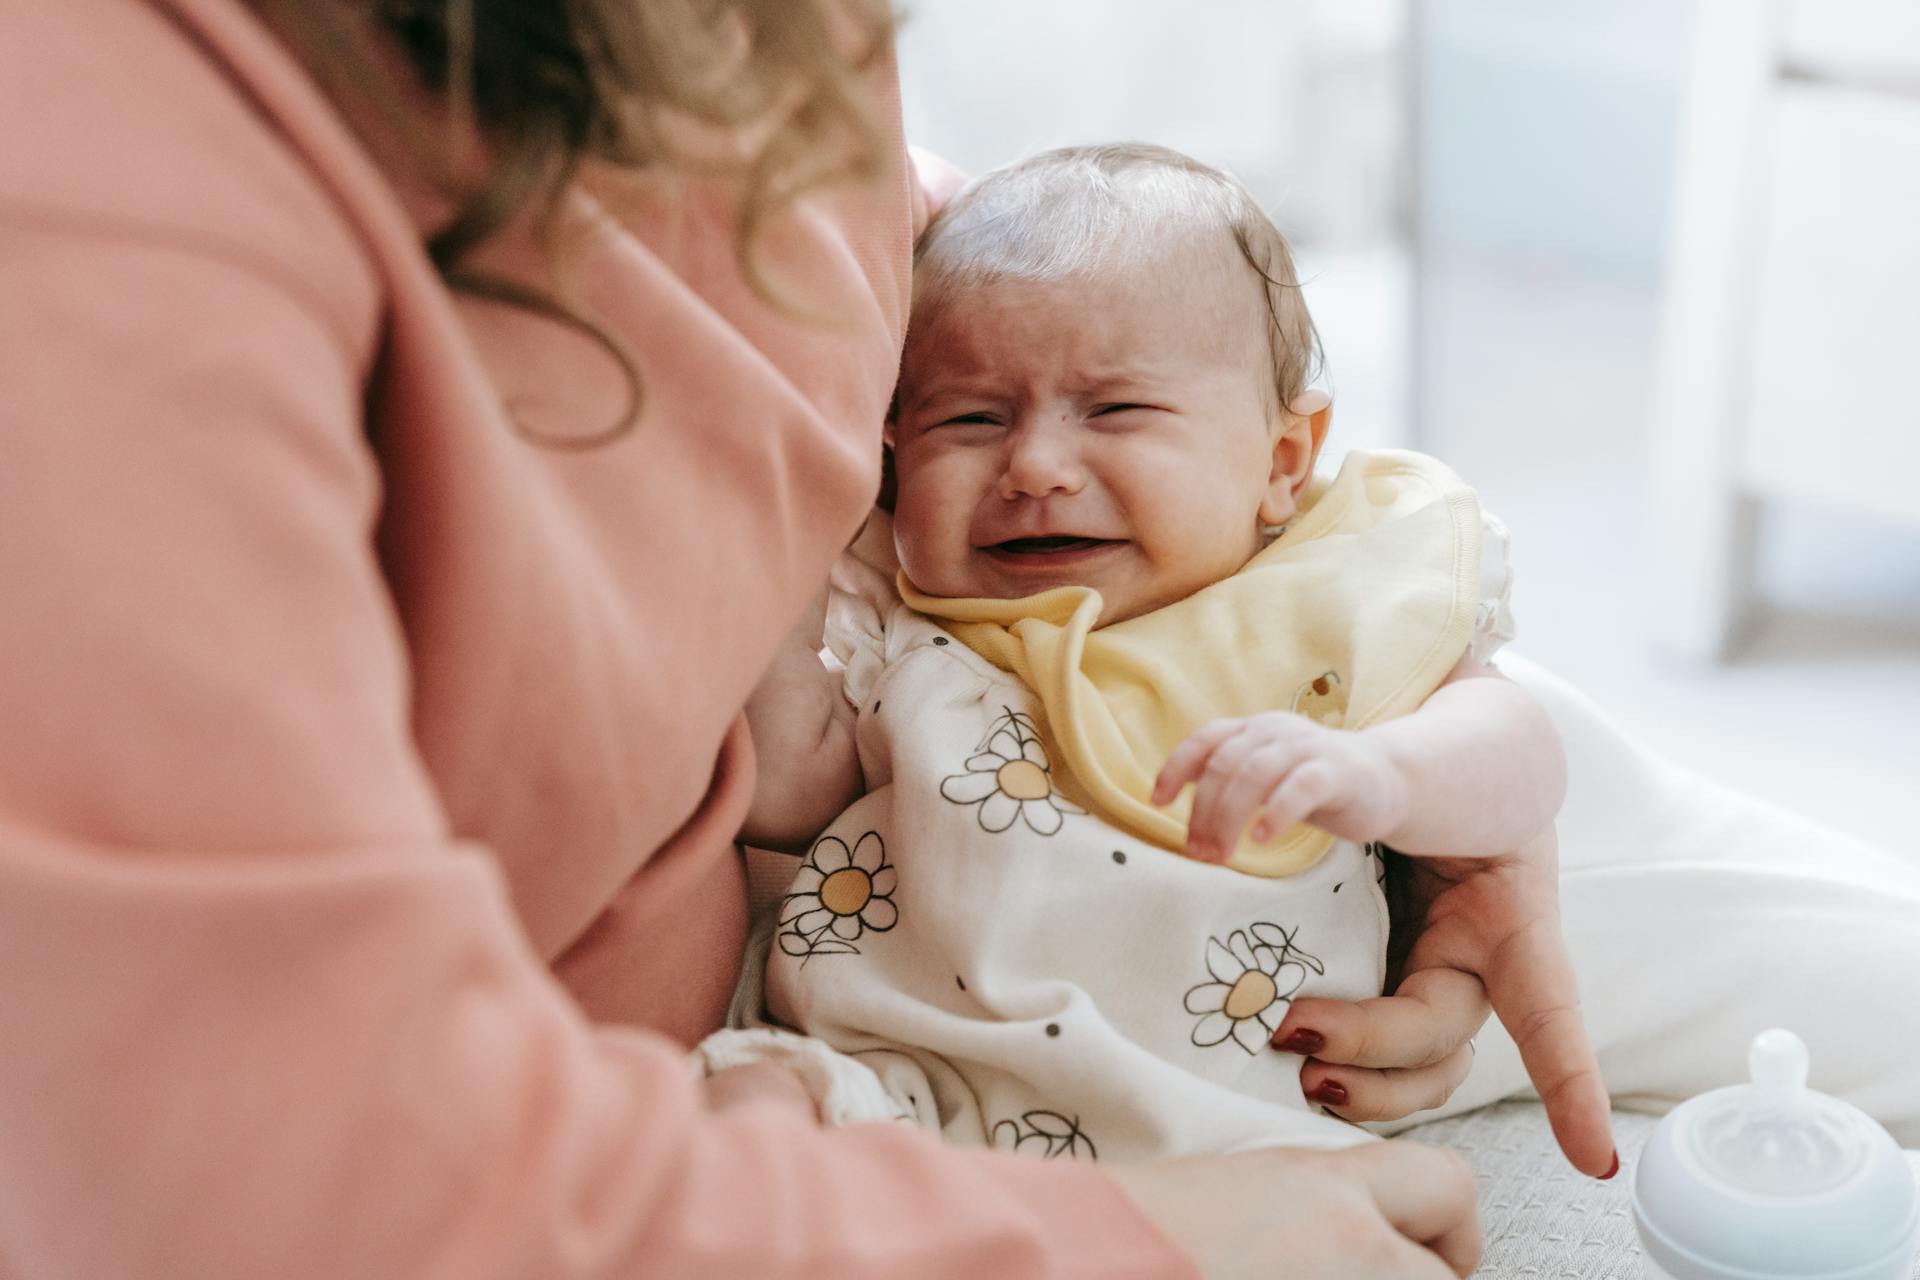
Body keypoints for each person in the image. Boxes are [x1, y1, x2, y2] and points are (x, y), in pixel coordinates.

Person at [0, 1, 1601, 1276]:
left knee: (1818, 971)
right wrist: (1134, 1241)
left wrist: (1432, 786)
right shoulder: (96, 215)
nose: (1035, 461)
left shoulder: (750, 47)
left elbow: (955, 256)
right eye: (972, 426)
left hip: (1294, 901)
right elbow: (269, 1186)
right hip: (749, 1085)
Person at [736, 143, 1583, 1162]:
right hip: (898, 1090)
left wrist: (1383, 772)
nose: (1036, 466)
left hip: (1237, 1125)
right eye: (970, 419)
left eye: (1115, 409)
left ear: (1281, 461)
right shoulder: (914, 631)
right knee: (743, 1113)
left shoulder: (1317, 603)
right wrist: (777, 570)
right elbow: (785, 791)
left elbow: (1519, 748)